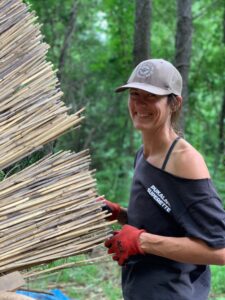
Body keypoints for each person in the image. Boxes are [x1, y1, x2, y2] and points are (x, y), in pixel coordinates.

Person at [101, 58, 225, 300]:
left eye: (151, 96)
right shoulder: (144, 153)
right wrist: (120, 214)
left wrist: (142, 241)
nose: (139, 104)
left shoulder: (184, 160)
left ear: (174, 103)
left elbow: (219, 250)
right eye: (135, 94)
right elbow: (168, 221)